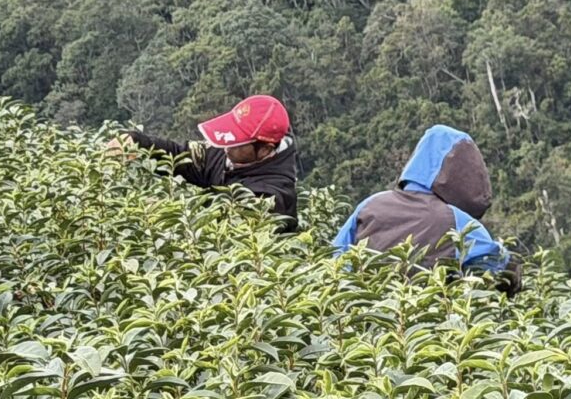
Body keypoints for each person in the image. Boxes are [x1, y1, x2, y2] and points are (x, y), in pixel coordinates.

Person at [332, 125, 521, 294]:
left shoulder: (370, 205)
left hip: (366, 319)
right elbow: (499, 266)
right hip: (433, 325)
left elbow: (335, 259)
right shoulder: (457, 220)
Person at [109, 95, 299, 232]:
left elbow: (215, 224)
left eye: (237, 143)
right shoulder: (234, 155)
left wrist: (164, 211)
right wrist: (136, 142)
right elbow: (180, 156)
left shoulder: (271, 197)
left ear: (265, 149)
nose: (226, 147)